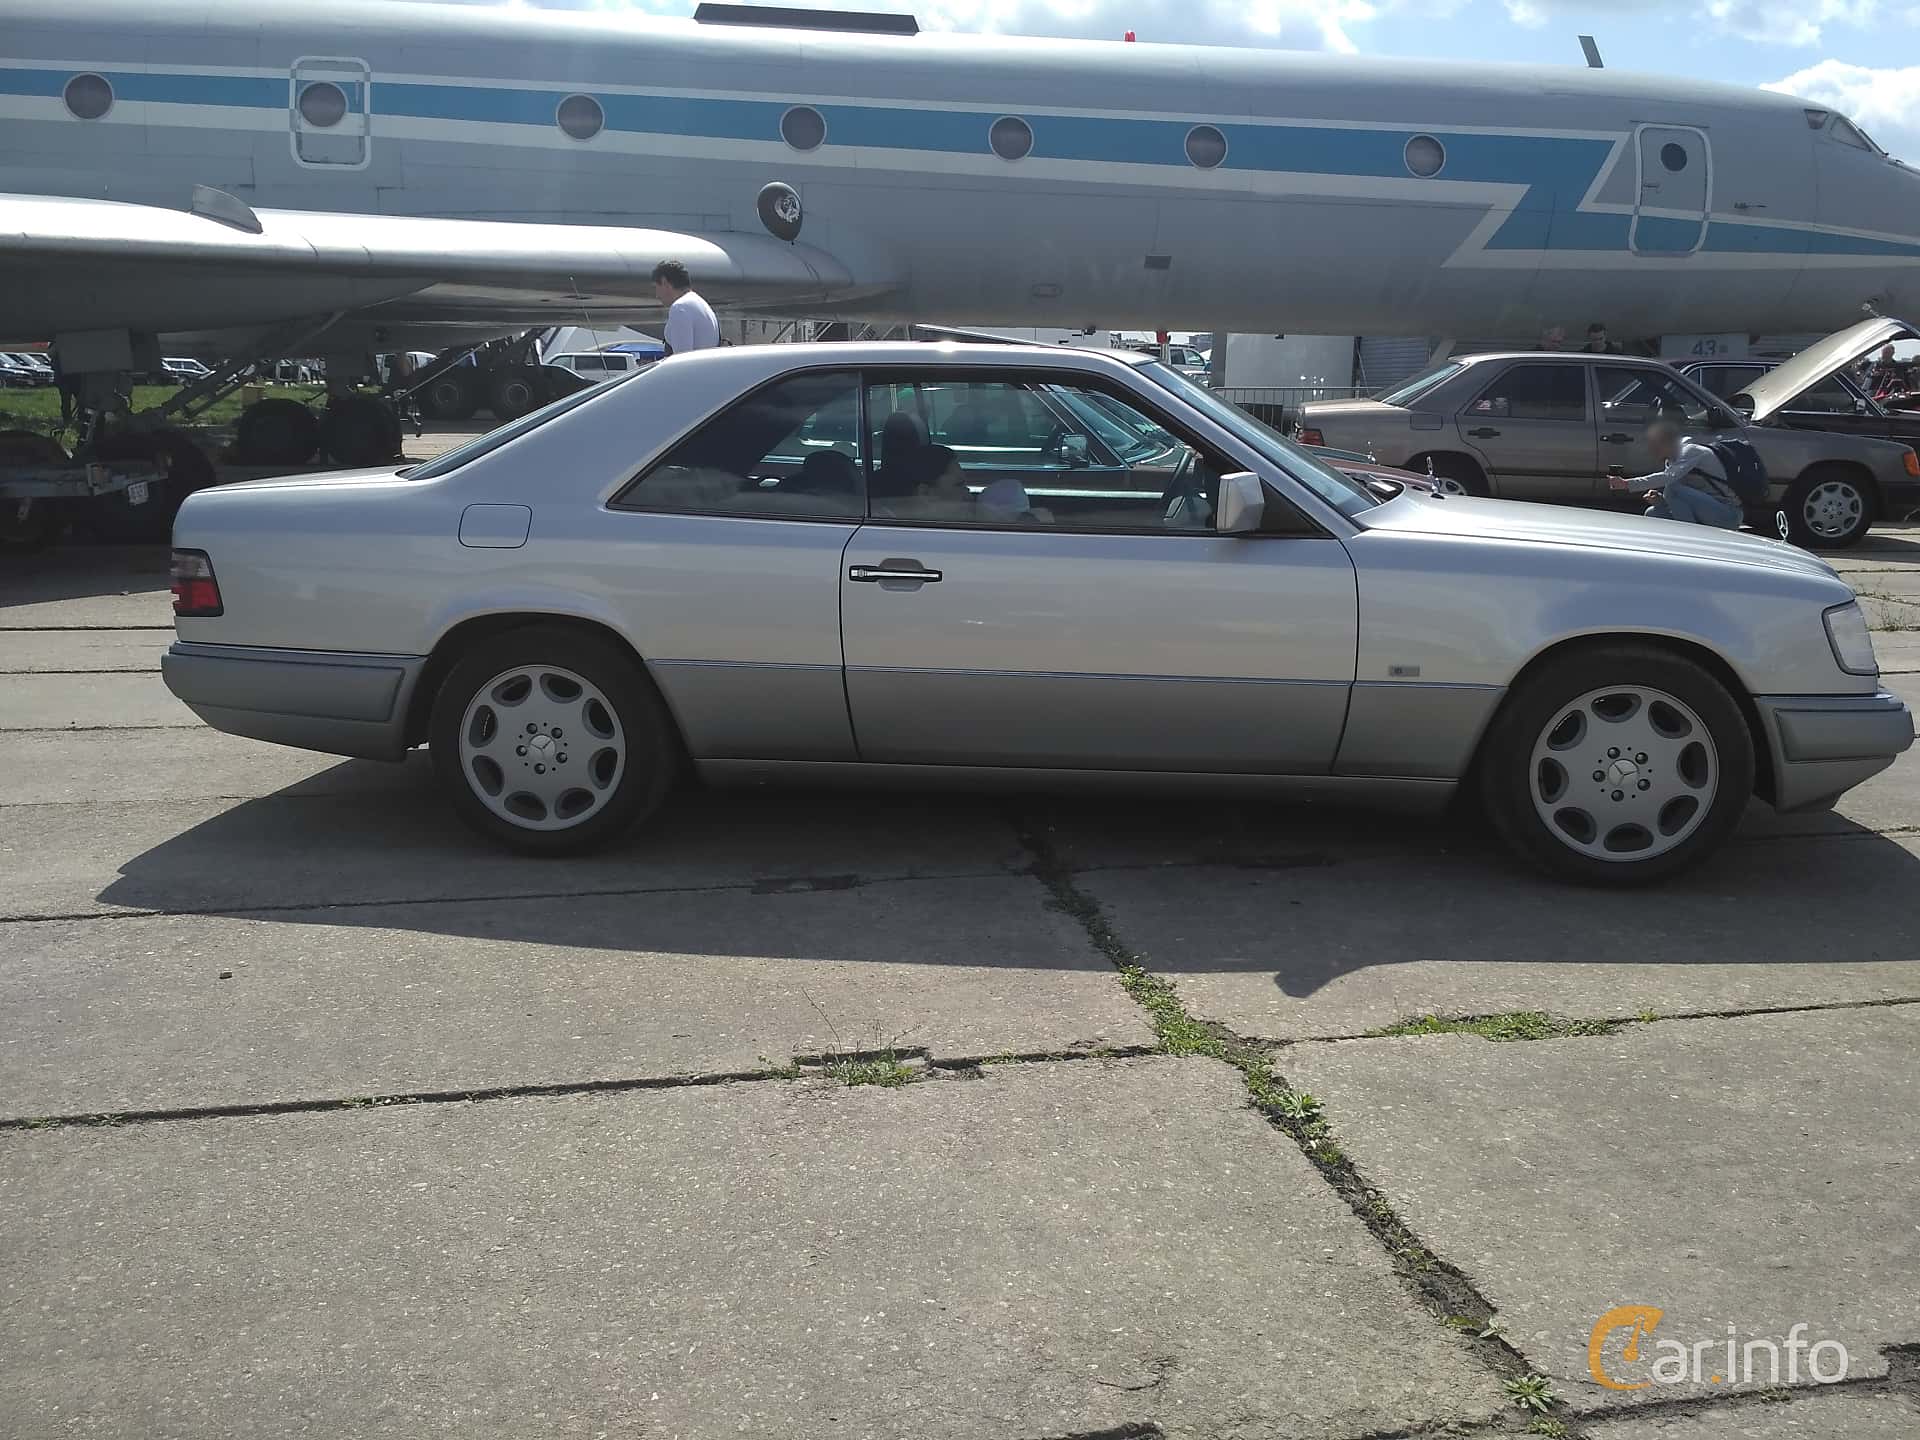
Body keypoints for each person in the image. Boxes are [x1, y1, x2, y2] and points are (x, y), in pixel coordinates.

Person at [1622, 420, 1742, 529]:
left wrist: (1626, 484)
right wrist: (1660, 502)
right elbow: (1681, 502)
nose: (1652, 450)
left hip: (1728, 514)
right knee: (1653, 513)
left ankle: (1690, 536)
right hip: (1704, 511)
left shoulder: (1691, 451)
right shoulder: (1671, 459)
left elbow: (1669, 478)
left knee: (1673, 488)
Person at [652, 260, 718, 356]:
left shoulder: (679, 308)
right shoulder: (701, 304)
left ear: (664, 282)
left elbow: (681, 359)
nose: (657, 295)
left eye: (656, 287)